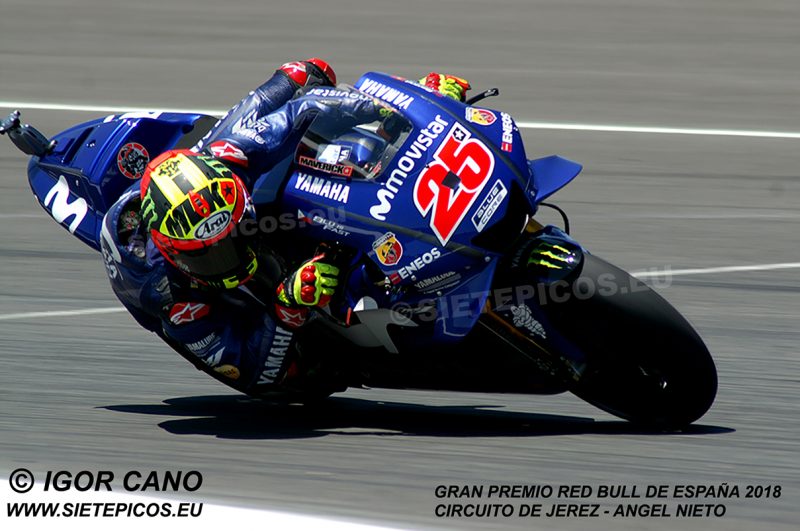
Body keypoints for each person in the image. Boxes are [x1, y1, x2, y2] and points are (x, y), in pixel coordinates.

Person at [100, 59, 472, 397]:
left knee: (305, 76)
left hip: (226, 170)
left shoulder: (232, 155)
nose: (228, 256)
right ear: (174, 253)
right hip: (231, 318)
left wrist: (411, 105)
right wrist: (287, 306)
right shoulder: (171, 298)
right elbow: (252, 374)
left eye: (231, 236)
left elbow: (305, 108)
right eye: (210, 254)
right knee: (300, 383)